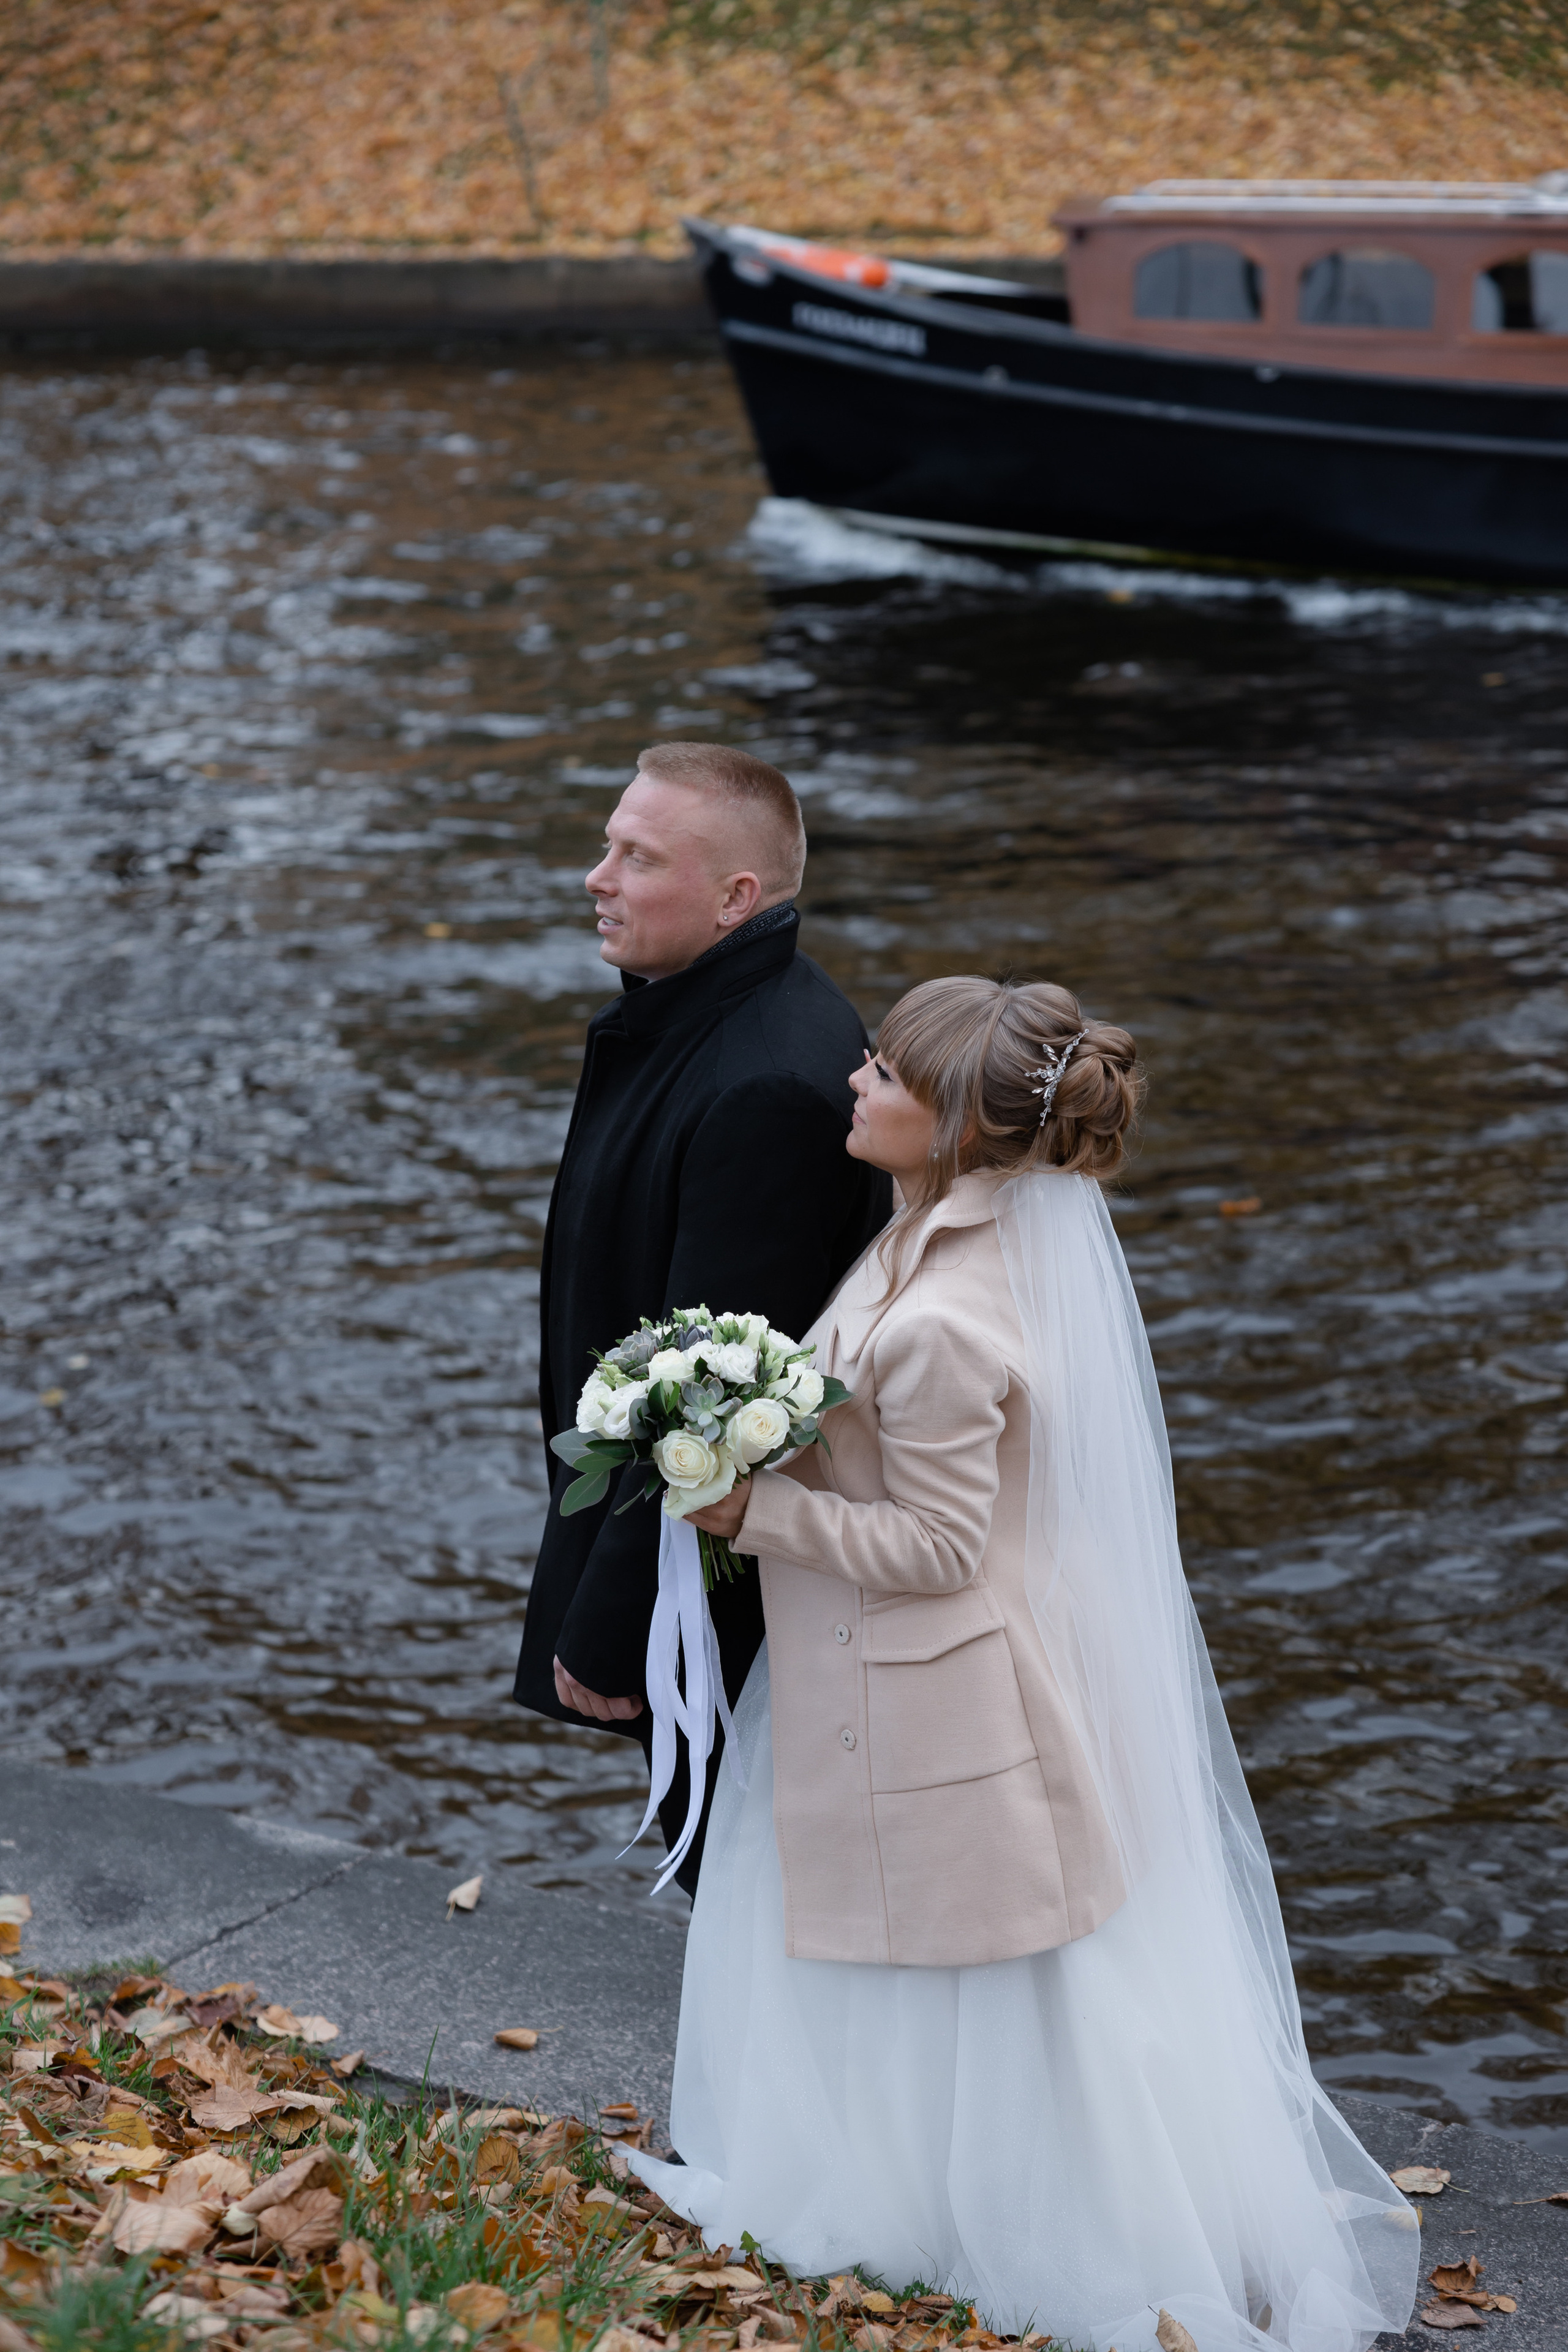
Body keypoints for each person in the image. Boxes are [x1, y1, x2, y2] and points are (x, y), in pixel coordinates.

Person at [632, 977, 1419, 2352]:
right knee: (949, 1983)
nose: (853, 1085)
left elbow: (940, 1546)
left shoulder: (946, 1316)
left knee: (994, 1988)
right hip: (886, 1673)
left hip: (934, 1688)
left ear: (949, 1127)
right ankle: (905, 2202)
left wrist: (743, 1507)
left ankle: (1021, 2238)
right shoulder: (928, 1235)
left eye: (882, 1073)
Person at [512, 741, 890, 1893]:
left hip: (721, 1600)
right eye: (607, 845)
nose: (598, 875)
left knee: (747, 1879)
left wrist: (615, 1614)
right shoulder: (709, 1022)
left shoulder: (764, 1082)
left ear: (737, 899)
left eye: (637, 856)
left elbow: (712, 1388)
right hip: (704, 1566)